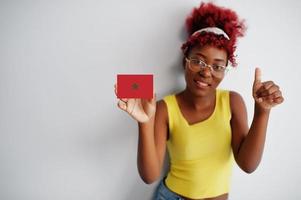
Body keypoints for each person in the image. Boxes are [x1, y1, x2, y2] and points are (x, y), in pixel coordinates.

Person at [115, 2, 284, 200]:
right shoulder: (164, 108)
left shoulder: (232, 103)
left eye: (217, 66)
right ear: (185, 61)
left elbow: (248, 165)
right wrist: (144, 123)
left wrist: (262, 112)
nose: (206, 72)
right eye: (198, 61)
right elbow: (149, 175)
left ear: (225, 71)